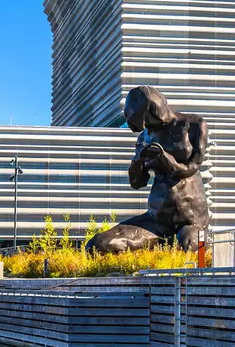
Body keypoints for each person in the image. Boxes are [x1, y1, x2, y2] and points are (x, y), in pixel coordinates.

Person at [87, 86, 210, 253]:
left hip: (191, 219)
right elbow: (137, 183)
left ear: (155, 111)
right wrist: (138, 161)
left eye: (147, 122)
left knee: (191, 245)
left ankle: (197, 263)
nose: (147, 128)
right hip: (157, 220)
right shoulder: (144, 137)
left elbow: (192, 167)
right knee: (98, 244)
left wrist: (166, 161)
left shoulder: (194, 124)